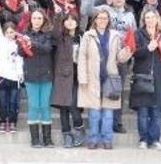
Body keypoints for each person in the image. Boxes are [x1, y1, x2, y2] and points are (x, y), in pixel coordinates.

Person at [77, 8, 132, 150]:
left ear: (109, 20)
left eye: (105, 18)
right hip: (92, 78)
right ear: (95, 19)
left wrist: (126, 53)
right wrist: (82, 77)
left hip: (109, 78)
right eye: (99, 18)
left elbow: (118, 58)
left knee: (108, 113)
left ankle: (107, 140)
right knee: (94, 113)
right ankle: (93, 139)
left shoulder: (115, 35)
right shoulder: (88, 36)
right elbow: (82, 58)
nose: (102, 20)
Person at [129, 9, 161, 150]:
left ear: (157, 19)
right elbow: (134, 52)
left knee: (156, 111)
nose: (150, 20)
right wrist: (147, 48)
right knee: (143, 111)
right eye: (147, 17)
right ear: (144, 19)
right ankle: (143, 139)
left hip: (159, 77)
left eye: (152, 17)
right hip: (142, 77)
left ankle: (155, 139)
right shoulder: (138, 34)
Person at [21, 9, 56, 148]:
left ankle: (47, 139)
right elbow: (20, 52)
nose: (36, 21)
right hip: (31, 75)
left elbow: (47, 49)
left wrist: (32, 43)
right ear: (31, 20)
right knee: (34, 106)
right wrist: (24, 43)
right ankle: (35, 139)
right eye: (34, 18)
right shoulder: (25, 34)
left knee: (45, 106)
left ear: (44, 20)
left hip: (46, 75)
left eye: (39, 18)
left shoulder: (48, 35)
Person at [52, 11, 84, 148]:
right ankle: (67, 135)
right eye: (67, 19)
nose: (70, 22)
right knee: (64, 107)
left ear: (77, 22)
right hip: (62, 76)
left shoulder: (82, 36)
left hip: (78, 76)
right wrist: (59, 15)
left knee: (73, 105)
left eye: (73, 19)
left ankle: (79, 128)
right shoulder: (60, 37)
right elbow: (55, 31)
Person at [0, 8, 23, 134]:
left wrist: (20, 73)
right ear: (4, 33)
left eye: (12, 32)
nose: (10, 34)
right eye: (8, 32)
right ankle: (3, 121)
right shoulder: (2, 42)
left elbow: (20, 60)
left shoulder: (18, 44)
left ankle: (13, 122)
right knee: (3, 101)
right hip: (2, 76)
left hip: (14, 77)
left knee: (14, 102)